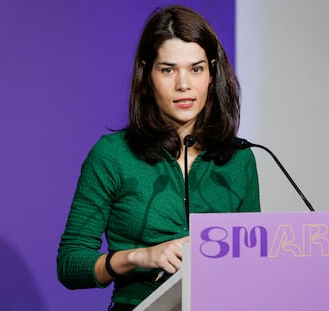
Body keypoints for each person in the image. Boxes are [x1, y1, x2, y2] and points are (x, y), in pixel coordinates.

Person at [57, 5, 260, 311]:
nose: (184, 85)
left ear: (212, 73)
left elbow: (253, 260)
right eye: (168, 69)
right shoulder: (113, 155)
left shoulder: (238, 158)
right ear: (147, 73)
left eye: (196, 68)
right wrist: (140, 256)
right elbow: (71, 264)